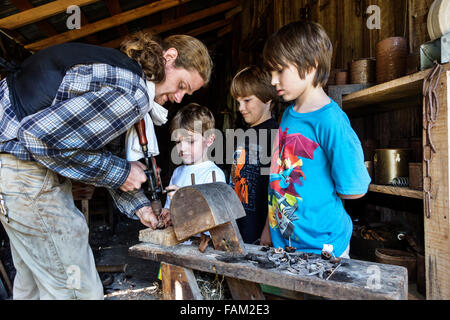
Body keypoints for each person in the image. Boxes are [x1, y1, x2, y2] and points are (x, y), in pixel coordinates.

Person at [0, 31, 212, 299]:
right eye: (182, 85)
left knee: (31, 284)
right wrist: (122, 172)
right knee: (78, 290)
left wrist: (140, 206)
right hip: (27, 176)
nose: (179, 98)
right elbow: (35, 136)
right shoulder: (133, 92)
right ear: (169, 58)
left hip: (10, 172)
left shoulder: (118, 70)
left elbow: (88, 148)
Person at [262, 21, 370, 259]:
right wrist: (268, 229)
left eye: (279, 70)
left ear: (310, 66)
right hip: (285, 242)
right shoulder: (288, 115)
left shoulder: (331, 120)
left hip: (324, 247)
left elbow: (354, 189)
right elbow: (277, 178)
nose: (272, 81)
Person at [229, 66, 279, 245]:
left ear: (268, 98)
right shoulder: (241, 135)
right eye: (238, 102)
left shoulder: (275, 136)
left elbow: (277, 190)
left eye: (247, 100)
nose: (241, 108)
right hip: (237, 226)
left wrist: (269, 230)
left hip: (260, 233)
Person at [160, 102, 226, 227]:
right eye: (178, 141)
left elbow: (218, 216)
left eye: (190, 141)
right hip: (181, 243)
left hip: (205, 243)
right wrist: (167, 213)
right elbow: (170, 208)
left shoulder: (214, 175)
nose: (182, 148)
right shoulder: (177, 173)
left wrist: (186, 200)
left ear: (209, 139)